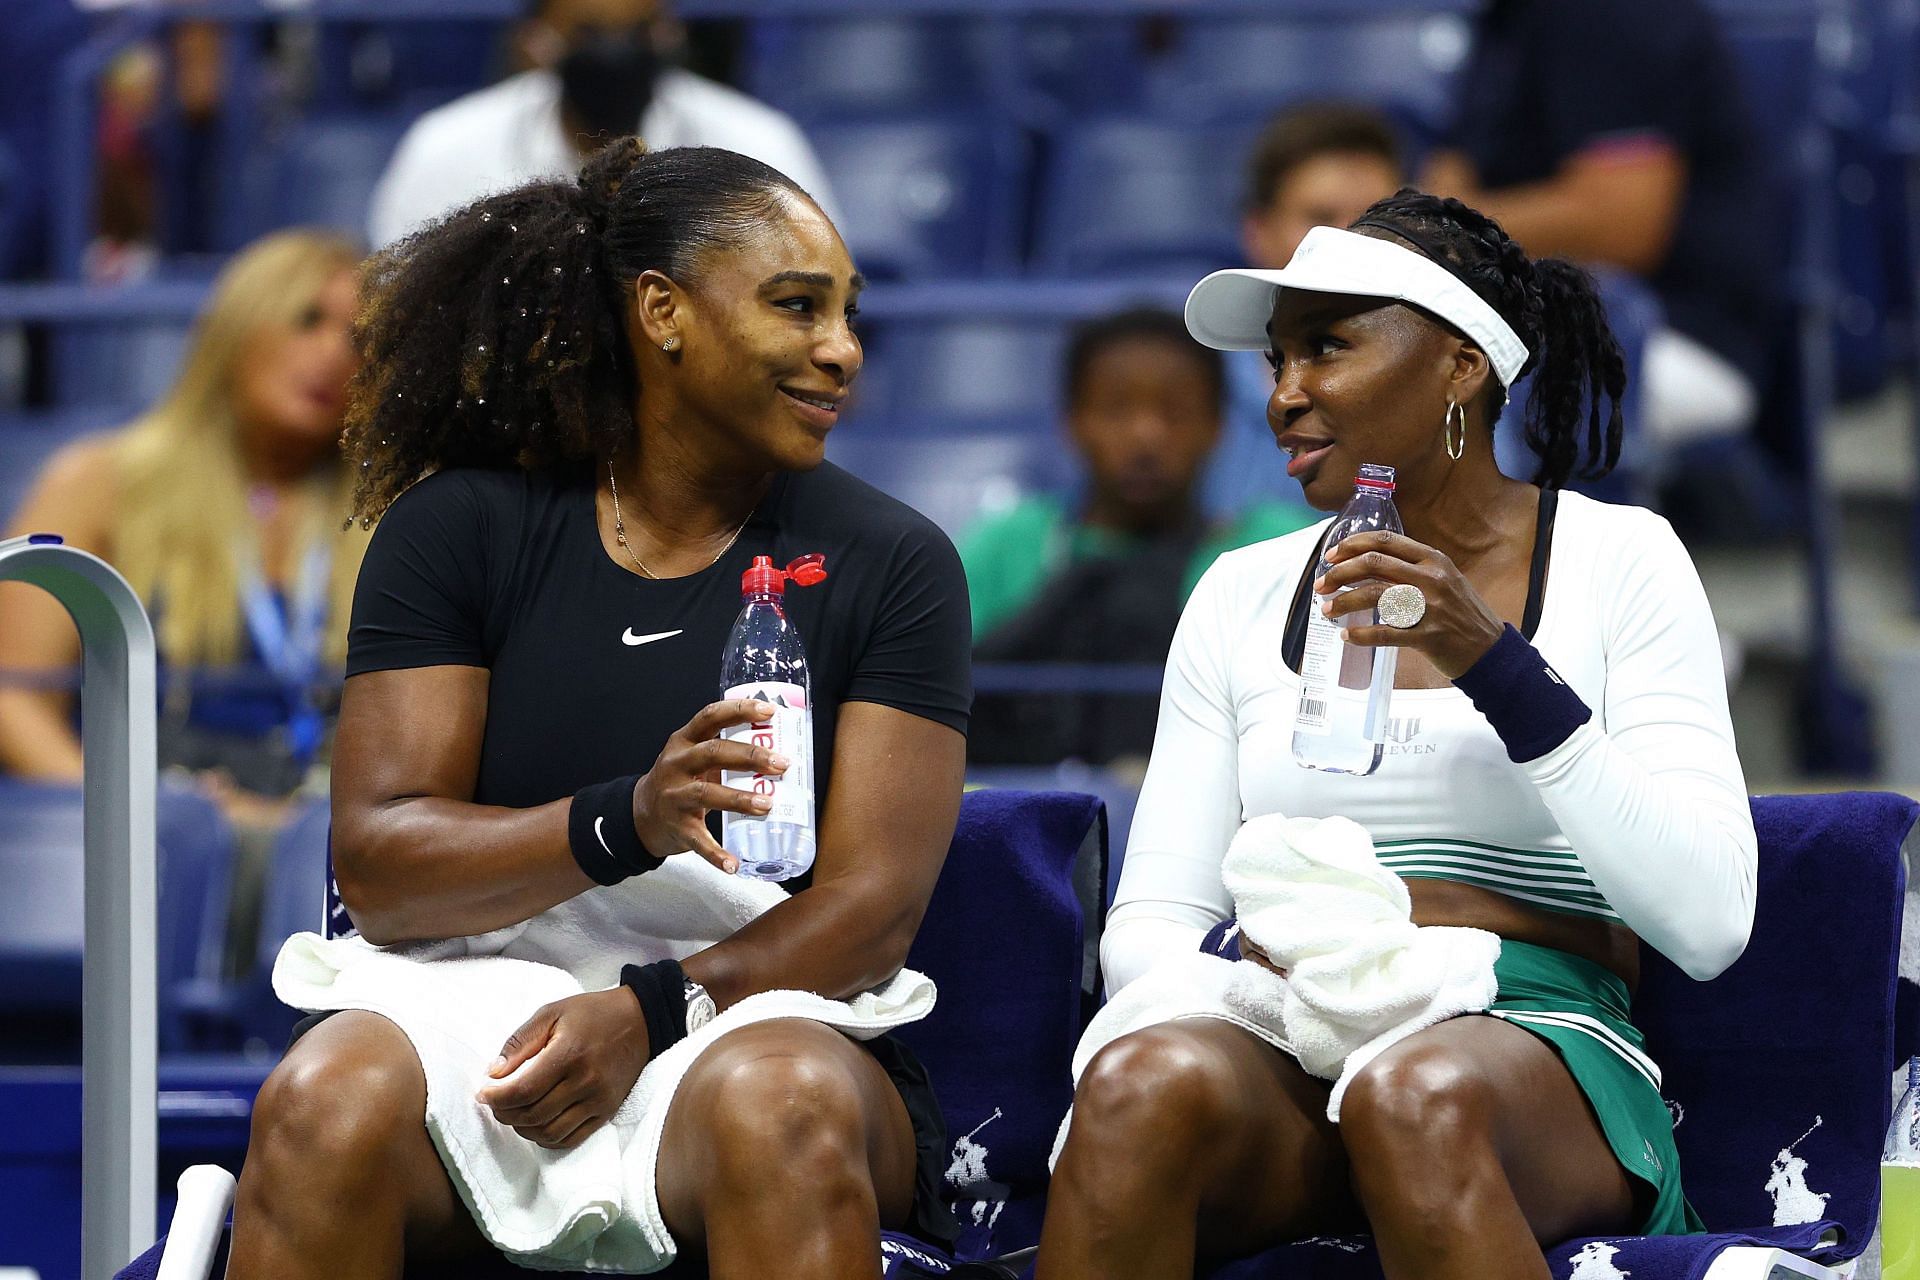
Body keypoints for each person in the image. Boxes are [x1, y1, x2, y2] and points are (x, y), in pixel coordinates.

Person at [224, 141, 971, 1279]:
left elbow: (870, 911)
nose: (842, 351)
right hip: (473, 999)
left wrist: (656, 1008)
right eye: (797, 306)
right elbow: (379, 863)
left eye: (848, 312)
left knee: (782, 1104)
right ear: (664, 312)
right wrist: (624, 818)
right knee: (322, 1099)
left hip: (749, 1007)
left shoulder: (895, 560)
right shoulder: (459, 528)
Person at [1035, 192, 1757, 1278]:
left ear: (1462, 365)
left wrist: (1495, 663)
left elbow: (1706, 921)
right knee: (1139, 1084)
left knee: (1413, 1092)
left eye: (1327, 345)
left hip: (1533, 1049)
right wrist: (1297, 963)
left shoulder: (1626, 559)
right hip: (1285, 1023)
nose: (1285, 394)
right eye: (1277, 361)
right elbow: (1152, 925)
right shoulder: (1239, 592)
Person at [0, 229, 369, 825]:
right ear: (235, 330)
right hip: (151, 838)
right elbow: (13, 695)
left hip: (327, 842)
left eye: (359, 338)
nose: (333, 354)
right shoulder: (99, 482)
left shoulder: (390, 505)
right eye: (306, 321)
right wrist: (134, 820)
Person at [960, 307, 1313, 768]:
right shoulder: (1008, 543)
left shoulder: (1274, 547)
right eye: (1115, 409)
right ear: (1073, 420)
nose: (1146, 435)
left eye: (1176, 411)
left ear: (1217, 425)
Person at [1422, 0, 1780, 453]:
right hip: (1528, 315)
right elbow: (1448, 185)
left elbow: (1622, 226)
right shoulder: (1503, 21)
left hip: (1663, 336)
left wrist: (1442, 233)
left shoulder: (1614, 12)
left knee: (1426, 389)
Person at [366, 0, 836, 249]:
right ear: (534, 41)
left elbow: (812, 298)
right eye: (589, 34)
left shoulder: (757, 141)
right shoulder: (446, 145)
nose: (615, 52)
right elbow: (402, 308)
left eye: (638, 32)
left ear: (668, 34)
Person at [1206, 103, 1405, 519]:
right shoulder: (1189, 384)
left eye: (1376, 218)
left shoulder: (1452, 378)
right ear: (1257, 231)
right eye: (1320, 218)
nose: (1351, 240)